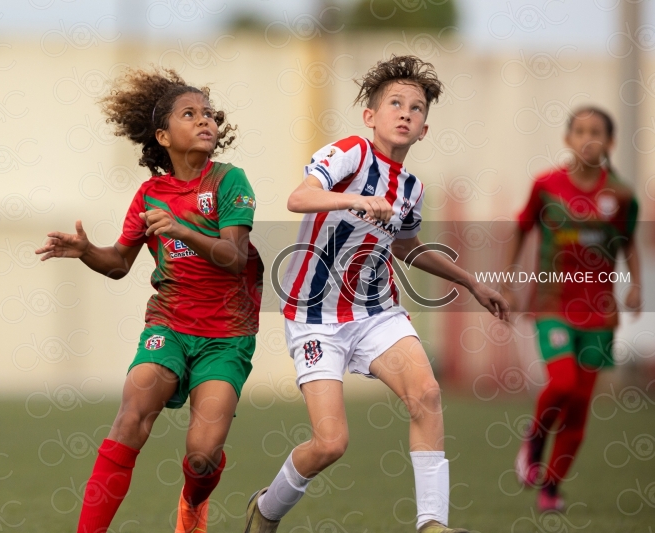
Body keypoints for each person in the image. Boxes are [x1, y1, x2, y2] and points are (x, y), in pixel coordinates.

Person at [243, 55, 509, 533]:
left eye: (417, 107)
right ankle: (266, 509)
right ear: (371, 116)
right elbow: (298, 198)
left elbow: (406, 245)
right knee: (330, 443)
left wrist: (470, 281)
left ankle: (432, 524)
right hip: (314, 316)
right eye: (395, 103)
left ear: (424, 128)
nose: (406, 113)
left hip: (374, 310)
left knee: (426, 393)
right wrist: (354, 198)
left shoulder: (411, 187)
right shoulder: (350, 154)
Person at [36, 68, 264, 533]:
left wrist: (182, 230)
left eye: (209, 114)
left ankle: (193, 505)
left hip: (226, 337)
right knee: (130, 418)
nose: (205, 122)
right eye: (190, 114)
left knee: (201, 457)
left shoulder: (229, 181)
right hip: (168, 327)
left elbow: (233, 257)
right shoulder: (149, 194)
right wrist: (85, 252)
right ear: (163, 135)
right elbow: (119, 263)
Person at [506, 107, 641, 512]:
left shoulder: (621, 195)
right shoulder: (546, 185)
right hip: (552, 304)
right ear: (568, 139)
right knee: (561, 384)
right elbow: (522, 227)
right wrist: (507, 283)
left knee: (580, 408)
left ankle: (551, 486)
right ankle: (534, 439)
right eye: (580, 131)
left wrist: (636, 285)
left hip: (599, 313)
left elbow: (628, 240)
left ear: (610, 142)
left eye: (596, 132)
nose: (588, 138)